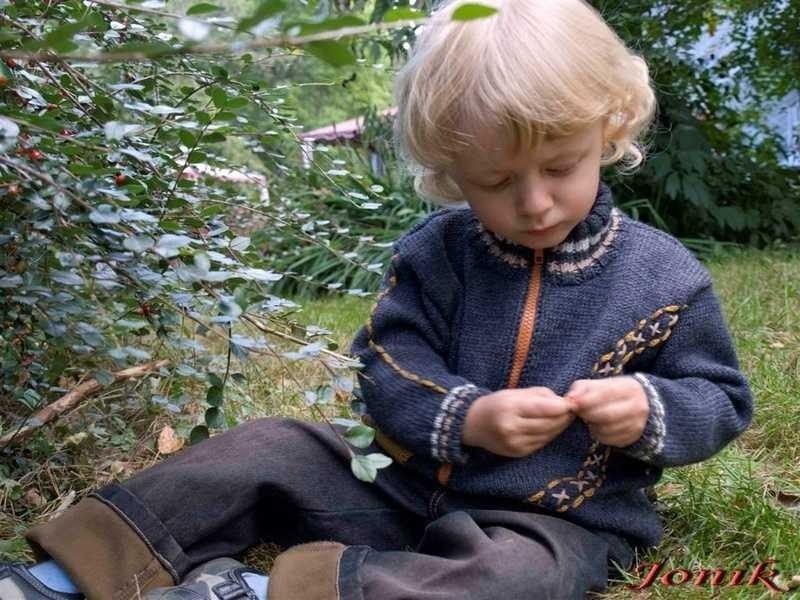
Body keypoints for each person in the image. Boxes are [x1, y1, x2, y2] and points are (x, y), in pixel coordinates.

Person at [0, 0, 754, 598]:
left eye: (562, 166)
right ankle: (73, 569)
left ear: (609, 128)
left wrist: (647, 408)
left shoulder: (663, 277)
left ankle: (263, 590)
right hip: (395, 483)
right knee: (270, 446)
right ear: (451, 169)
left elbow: (719, 397)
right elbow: (384, 363)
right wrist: (467, 416)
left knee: (518, 578)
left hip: (554, 521)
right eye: (495, 181)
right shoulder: (436, 254)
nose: (534, 202)